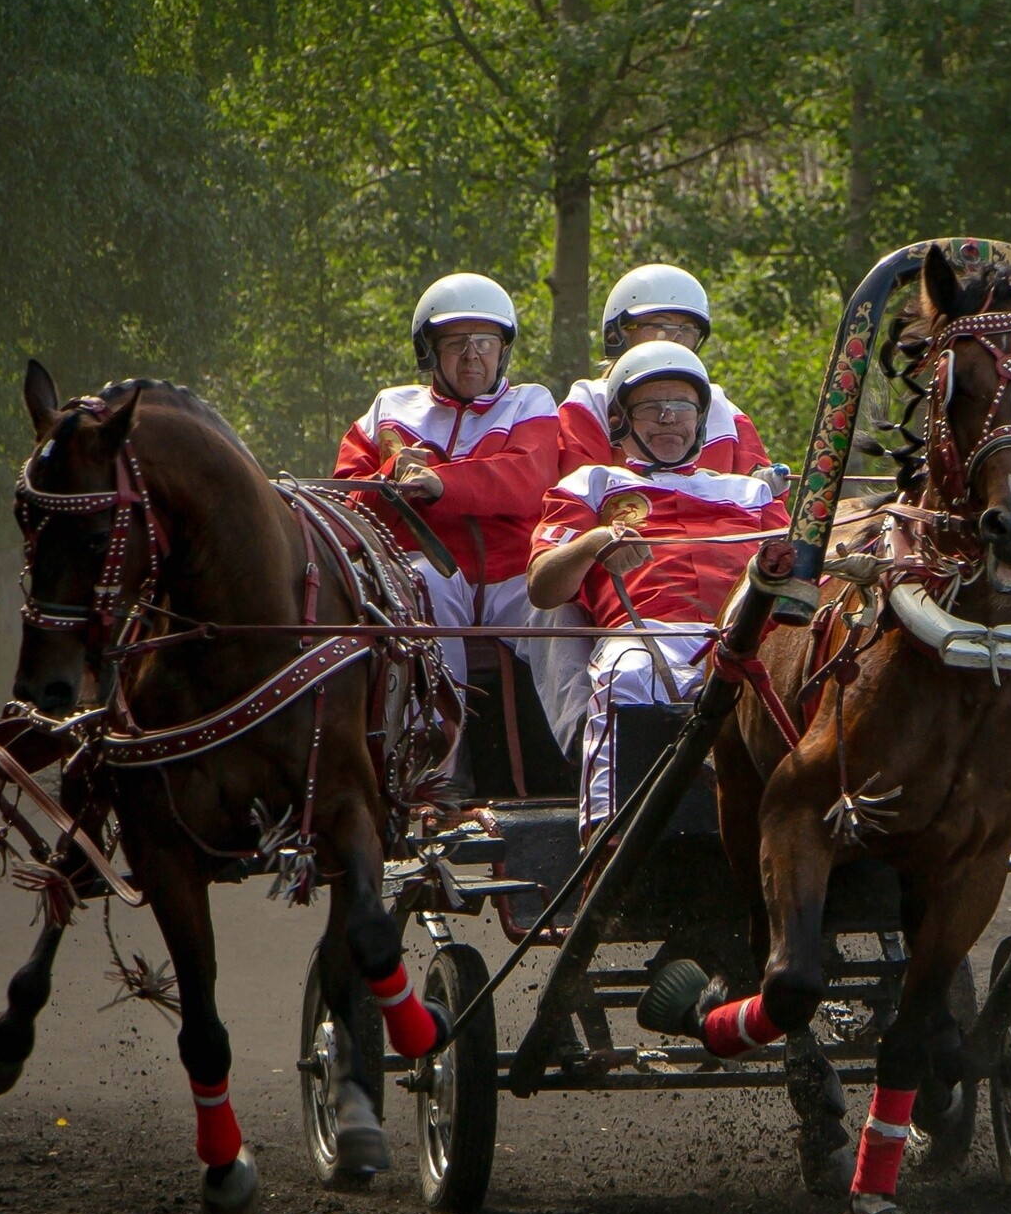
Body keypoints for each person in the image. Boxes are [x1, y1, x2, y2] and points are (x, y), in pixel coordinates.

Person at [528, 342, 788, 831]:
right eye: (651, 407)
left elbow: (797, 577)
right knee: (629, 670)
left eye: (683, 406)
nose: (669, 418)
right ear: (620, 422)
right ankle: (607, 841)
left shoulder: (751, 491)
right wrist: (595, 543)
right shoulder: (590, 484)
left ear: (701, 420)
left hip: (750, 640)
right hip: (646, 637)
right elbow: (544, 588)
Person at [334, 271, 574, 798]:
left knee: (564, 608)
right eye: (457, 343)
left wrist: (441, 482)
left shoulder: (531, 403)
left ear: (502, 350)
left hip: (514, 575)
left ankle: (580, 763)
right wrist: (388, 481)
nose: (472, 357)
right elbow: (347, 499)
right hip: (434, 569)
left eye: (485, 343)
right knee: (421, 588)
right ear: (430, 352)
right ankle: (437, 770)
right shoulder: (388, 409)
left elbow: (528, 479)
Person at [554, 263, 773, 475]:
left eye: (687, 330)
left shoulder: (723, 410)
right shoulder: (591, 402)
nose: (675, 339)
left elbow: (762, 497)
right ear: (618, 334)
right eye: (660, 326)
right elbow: (579, 489)